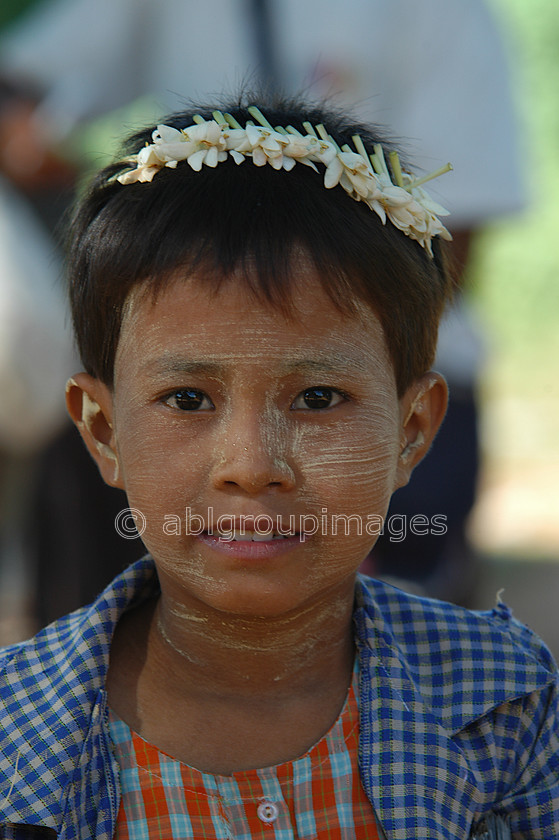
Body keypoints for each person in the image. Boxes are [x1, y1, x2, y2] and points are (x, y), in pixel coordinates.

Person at [0, 94, 557, 839]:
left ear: (411, 429)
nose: (252, 466)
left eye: (318, 397)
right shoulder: (16, 741)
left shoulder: (504, 703)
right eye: (188, 397)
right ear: (103, 433)